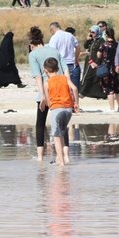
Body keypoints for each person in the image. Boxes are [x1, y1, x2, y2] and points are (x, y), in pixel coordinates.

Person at [28, 26, 67, 161]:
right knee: (62, 124)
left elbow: (38, 76)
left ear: (31, 45)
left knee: (40, 123)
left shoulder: (33, 54)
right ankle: (66, 156)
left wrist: (43, 95)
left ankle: (40, 157)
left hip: (46, 90)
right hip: (60, 89)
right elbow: (64, 69)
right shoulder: (54, 50)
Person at [41, 57, 79, 166]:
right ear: (57, 68)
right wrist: (76, 103)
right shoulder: (65, 78)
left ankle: (61, 163)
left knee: (56, 137)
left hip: (56, 110)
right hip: (68, 110)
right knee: (61, 133)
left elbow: (48, 102)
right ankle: (60, 159)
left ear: (45, 70)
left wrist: (49, 105)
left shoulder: (47, 83)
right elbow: (75, 88)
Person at [48, 22, 80, 93]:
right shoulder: (70, 35)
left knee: (63, 90)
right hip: (72, 63)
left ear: (52, 29)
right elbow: (78, 47)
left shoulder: (54, 38)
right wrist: (76, 58)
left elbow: (52, 52)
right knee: (74, 89)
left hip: (61, 65)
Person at [98, 27, 119, 112]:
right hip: (116, 68)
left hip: (107, 68)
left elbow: (99, 55)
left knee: (109, 89)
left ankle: (112, 108)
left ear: (106, 34)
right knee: (118, 89)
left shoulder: (103, 45)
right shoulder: (117, 45)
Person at [79, 25, 106, 101]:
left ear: (97, 32)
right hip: (89, 61)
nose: (92, 33)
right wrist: (88, 39)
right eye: (91, 32)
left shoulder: (101, 40)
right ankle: (85, 92)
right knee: (86, 75)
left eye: (93, 32)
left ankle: (84, 92)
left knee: (94, 77)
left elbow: (102, 51)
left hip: (96, 61)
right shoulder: (92, 40)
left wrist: (97, 62)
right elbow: (85, 46)